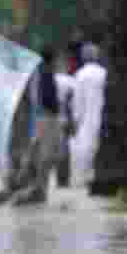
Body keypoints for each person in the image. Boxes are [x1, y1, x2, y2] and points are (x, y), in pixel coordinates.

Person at [9, 47, 62, 206]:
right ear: (53, 59)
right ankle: (37, 188)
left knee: (37, 152)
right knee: (46, 155)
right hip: (46, 117)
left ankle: (24, 183)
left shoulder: (37, 74)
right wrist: (55, 113)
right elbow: (48, 99)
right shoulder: (46, 74)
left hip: (38, 118)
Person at [69, 42, 107, 188]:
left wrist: (76, 118)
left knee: (85, 148)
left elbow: (77, 100)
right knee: (98, 146)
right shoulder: (104, 73)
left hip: (86, 117)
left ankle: (85, 178)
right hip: (102, 115)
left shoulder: (80, 75)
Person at [54, 60, 75, 188]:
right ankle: (64, 179)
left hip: (54, 118)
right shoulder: (71, 81)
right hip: (66, 117)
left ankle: (60, 178)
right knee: (65, 149)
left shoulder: (54, 79)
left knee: (58, 149)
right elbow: (74, 100)